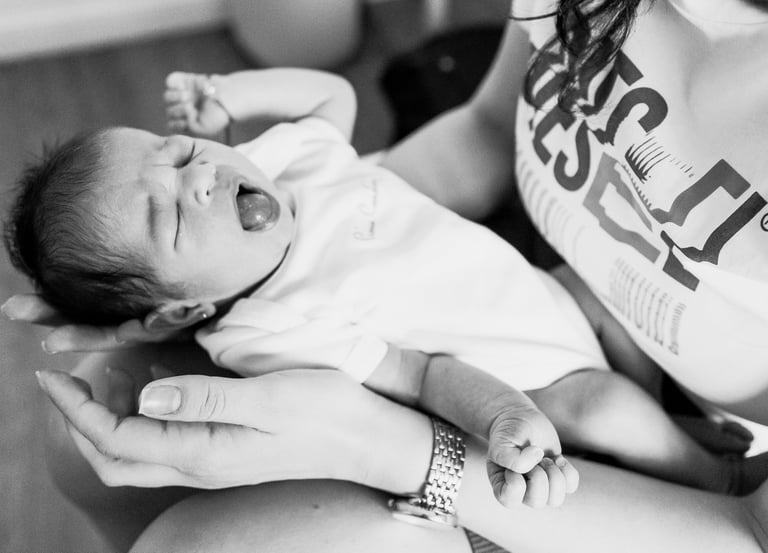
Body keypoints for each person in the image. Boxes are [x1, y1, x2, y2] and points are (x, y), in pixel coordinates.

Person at [5, 0, 768, 552]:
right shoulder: (266, 328)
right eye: (171, 218)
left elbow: (330, 103)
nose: (200, 173)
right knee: (89, 432)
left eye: (174, 153)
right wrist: (504, 415)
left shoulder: (275, 163)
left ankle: (716, 473)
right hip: (540, 359)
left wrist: (239, 95)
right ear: (187, 308)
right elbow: (423, 370)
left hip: (708, 494)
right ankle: (691, 451)